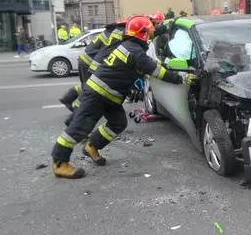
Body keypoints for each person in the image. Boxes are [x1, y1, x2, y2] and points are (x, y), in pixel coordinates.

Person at [50, 16, 197, 179]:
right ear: (143, 34)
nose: (150, 36)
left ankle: (92, 146)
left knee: (118, 123)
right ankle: (59, 163)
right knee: (79, 128)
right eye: (148, 33)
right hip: (98, 94)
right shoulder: (135, 51)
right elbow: (156, 71)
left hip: (109, 94)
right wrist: (181, 78)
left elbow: (147, 65)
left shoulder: (130, 46)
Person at [59, 17, 130, 125]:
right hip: (90, 62)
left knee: (86, 87)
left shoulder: (110, 30)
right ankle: (74, 118)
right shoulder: (118, 34)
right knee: (89, 93)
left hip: (86, 60)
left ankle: (68, 99)